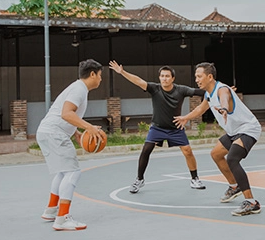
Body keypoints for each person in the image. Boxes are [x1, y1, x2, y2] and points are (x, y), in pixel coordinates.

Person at [174, 62, 262, 216]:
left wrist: (224, 108)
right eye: (196, 76)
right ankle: (235, 186)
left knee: (233, 159)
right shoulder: (208, 94)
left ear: (209, 77)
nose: (197, 79)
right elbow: (201, 108)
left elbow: (225, 97)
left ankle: (252, 202)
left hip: (248, 128)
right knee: (216, 154)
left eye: (199, 76)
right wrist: (185, 118)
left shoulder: (221, 89)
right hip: (234, 131)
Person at [108, 60, 207, 193]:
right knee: (146, 149)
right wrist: (122, 72)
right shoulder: (155, 88)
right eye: (162, 76)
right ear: (159, 77)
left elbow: (201, 92)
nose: (164, 78)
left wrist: (222, 90)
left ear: (173, 78)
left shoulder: (181, 90)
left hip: (175, 128)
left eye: (167, 76)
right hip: (157, 127)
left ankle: (195, 179)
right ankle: (139, 179)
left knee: (188, 151)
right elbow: (138, 81)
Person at [37, 59, 104, 231]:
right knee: (73, 172)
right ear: (92, 74)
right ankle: (62, 219)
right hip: (54, 133)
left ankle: (51, 210)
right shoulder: (79, 90)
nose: (100, 79)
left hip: (46, 131)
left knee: (63, 172)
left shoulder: (77, 88)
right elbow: (66, 113)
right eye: (100, 75)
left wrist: (76, 134)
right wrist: (89, 127)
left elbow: (64, 114)